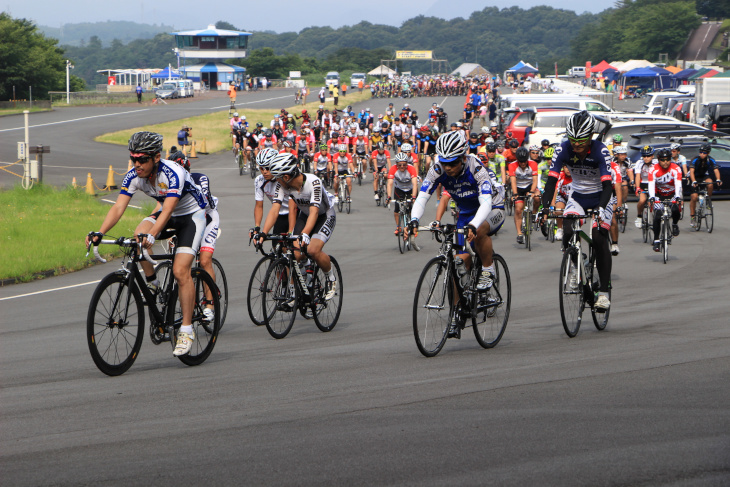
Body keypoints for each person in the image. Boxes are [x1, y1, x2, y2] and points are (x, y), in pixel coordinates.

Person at [85, 132, 208, 356]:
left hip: (192, 215)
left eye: (142, 159)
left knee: (181, 271)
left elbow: (169, 208)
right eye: (133, 159)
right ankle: (152, 284)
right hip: (167, 213)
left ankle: (187, 330)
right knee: (138, 235)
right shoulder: (133, 175)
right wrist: (100, 233)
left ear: (156, 158)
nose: (137, 164)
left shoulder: (173, 173)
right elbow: (118, 207)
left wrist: (153, 233)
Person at [409, 130, 505, 337]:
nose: (449, 168)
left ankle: (489, 269)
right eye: (445, 163)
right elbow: (422, 196)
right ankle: (456, 314)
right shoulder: (438, 169)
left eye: (453, 163)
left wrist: (473, 225)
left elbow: (486, 201)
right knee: (458, 261)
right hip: (466, 213)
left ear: (463, 157)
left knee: (478, 232)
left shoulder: (476, 166)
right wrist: (414, 219)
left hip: (492, 208)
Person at [541, 111, 614, 310]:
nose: (576, 146)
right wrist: (545, 207)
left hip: (601, 195)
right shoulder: (563, 149)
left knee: (599, 238)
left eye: (581, 141)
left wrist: (600, 208)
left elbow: (608, 186)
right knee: (566, 231)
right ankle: (577, 265)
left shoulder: (601, 151)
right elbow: (552, 180)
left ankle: (604, 293)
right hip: (578, 195)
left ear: (590, 136)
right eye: (573, 140)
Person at [256, 152, 338, 300]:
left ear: (286, 177)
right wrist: (263, 232)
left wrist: (305, 234)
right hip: (305, 215)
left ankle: (330, 278)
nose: (277, 181)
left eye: (278, 178)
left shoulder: (313, 182)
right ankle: (305, 277)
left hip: (324, 215)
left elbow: (314, 213)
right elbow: (275, 209)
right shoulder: (283, 186)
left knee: (312, 250)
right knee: (294, 254)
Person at [253, 148, 296, 237]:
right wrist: (257, 227)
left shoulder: (285, 178)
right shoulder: (259, 181)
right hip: (279, 214)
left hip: (296, 213)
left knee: (296, 247)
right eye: (262, 168)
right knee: (276, 246)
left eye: (268, 168)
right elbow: (259, 205)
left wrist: (290, 231)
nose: (264, 172)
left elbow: (294, 207)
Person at [647, 148, 683, 252]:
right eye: (663, 160)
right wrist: (652, 197)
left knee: (676, 209)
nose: (665, 162)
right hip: (659, 194)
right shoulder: (653, 169)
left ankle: (675, 224)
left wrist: (677, 196)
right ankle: (657, 240)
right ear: (658, 160)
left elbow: (678, 183)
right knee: (658, 215)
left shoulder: (676, 168)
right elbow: (651, 184)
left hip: (672, 193)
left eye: (667, 160)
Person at [508, 147, 539, 244]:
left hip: (530, 186)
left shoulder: (533, 164)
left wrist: (531, 192)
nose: (523, 163)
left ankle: (534, 213)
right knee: (518, 209)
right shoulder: (512, 165)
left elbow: (535, 181)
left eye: (524, 161)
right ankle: (519, 234)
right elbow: (513, 181)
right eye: (520, 161)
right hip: (518, 188)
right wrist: (515, 194)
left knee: (537, 198)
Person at [688, 142, 722, 227]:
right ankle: (692, 216)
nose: (702, 154)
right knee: (694, 197)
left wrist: (718, 179)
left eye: (704, 153)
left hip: (703, 176)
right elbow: (691, 172)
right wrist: (694, 181)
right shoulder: (695, 159)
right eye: (701, 152)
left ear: (708, 153)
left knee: (710, 184)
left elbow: (716, 170)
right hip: (694, 177)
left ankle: (708, 200)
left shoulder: (711, 159)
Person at [386, 152, 419, 237]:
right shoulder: (393, 169)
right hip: (399, 189)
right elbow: (389, 184)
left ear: (407, 163)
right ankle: (398, 227)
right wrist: (388, 196)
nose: (402, 166)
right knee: (397, 208)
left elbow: (415, 184)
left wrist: (414, 197)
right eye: (399, 165)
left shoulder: (411, 169)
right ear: (396, 164)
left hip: (410, 189)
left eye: (404, 164)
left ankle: (413, 226)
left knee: (412, 209)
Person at [631, 145, 656, 228]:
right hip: (643, 184)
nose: (646, 158)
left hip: (653, 183)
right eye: (644, 156)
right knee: (642, 200)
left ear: (652, 156)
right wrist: (637, 187)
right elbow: (637, 176)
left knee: (655, 202)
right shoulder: (639, 163)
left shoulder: (656, 163)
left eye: (648, 156)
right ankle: (639, 216)